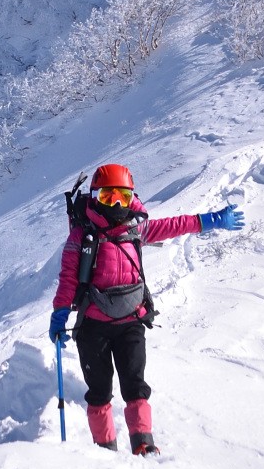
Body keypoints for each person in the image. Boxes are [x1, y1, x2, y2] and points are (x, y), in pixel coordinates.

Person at [49, 163, 245, 454]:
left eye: (123, 198)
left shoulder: (136, 228)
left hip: (130, 322)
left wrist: (211, 220)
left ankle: (143, 444)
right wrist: (60, 312)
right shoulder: (81, 236)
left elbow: (175, 226)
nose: (116, 204)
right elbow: (67, 278)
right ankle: (104, 451)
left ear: (132, 198)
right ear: (94, 197)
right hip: (93, 327)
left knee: (135, 386)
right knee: (99, 393)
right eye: (108, 197)